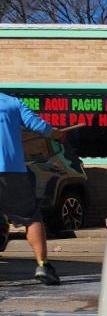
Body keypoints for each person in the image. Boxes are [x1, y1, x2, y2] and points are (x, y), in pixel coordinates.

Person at [0, 91, 62, 285]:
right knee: (30, 217)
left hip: (13, 171)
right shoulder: (12, 103)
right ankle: (43, 266)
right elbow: (40, 127)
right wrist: (58, 134)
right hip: (12, 171)